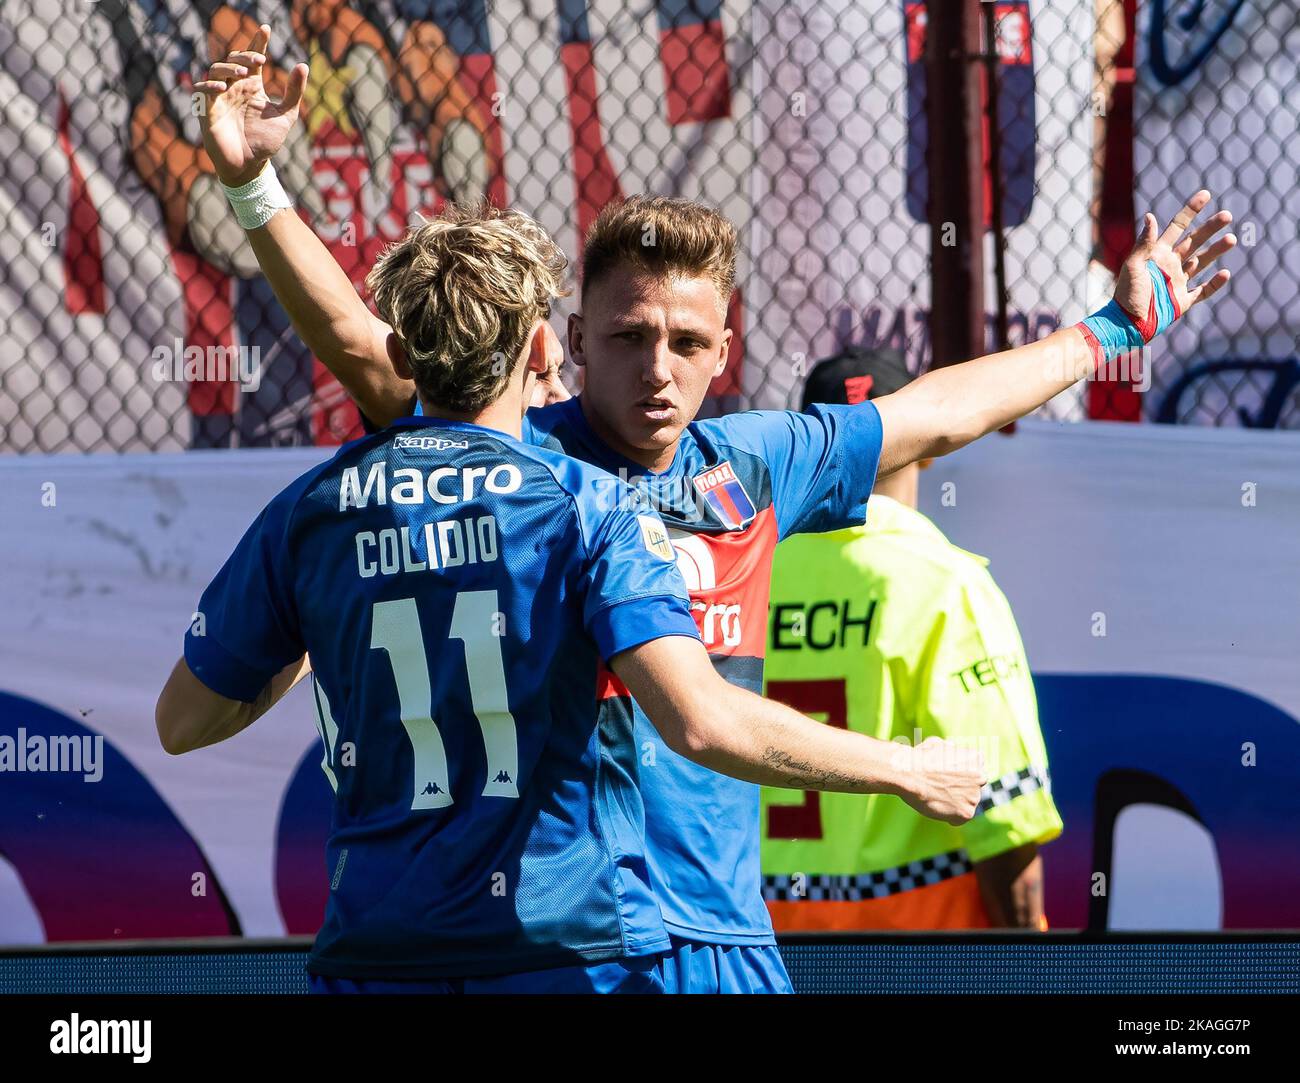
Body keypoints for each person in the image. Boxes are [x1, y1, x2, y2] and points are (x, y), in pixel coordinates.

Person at [194, 26, 1234, 992]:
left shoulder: (754, 463)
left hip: (722, 930)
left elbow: (934, 416)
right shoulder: (524, 461)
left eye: (687, 344)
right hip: (572, 944)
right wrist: (253, 187)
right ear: (568, 338)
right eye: (628, 335)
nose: (657, 369)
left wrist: (1105, 332)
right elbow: (370, 349)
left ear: (724, 353)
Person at [154, 202, 984, 994]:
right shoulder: (591, 505)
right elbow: (702, 719)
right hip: (560, 943)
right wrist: (907, 767)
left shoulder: (315, 514)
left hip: (375, 942)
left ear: (405, 356)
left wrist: (318, 633)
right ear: (547, 346)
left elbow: (182, 722)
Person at [761, 348, 1063, 930]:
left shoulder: (743, 580)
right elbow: (1005, 814)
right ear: (926, 450)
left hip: (757, 952)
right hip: (915, 955)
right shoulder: (946, 584)